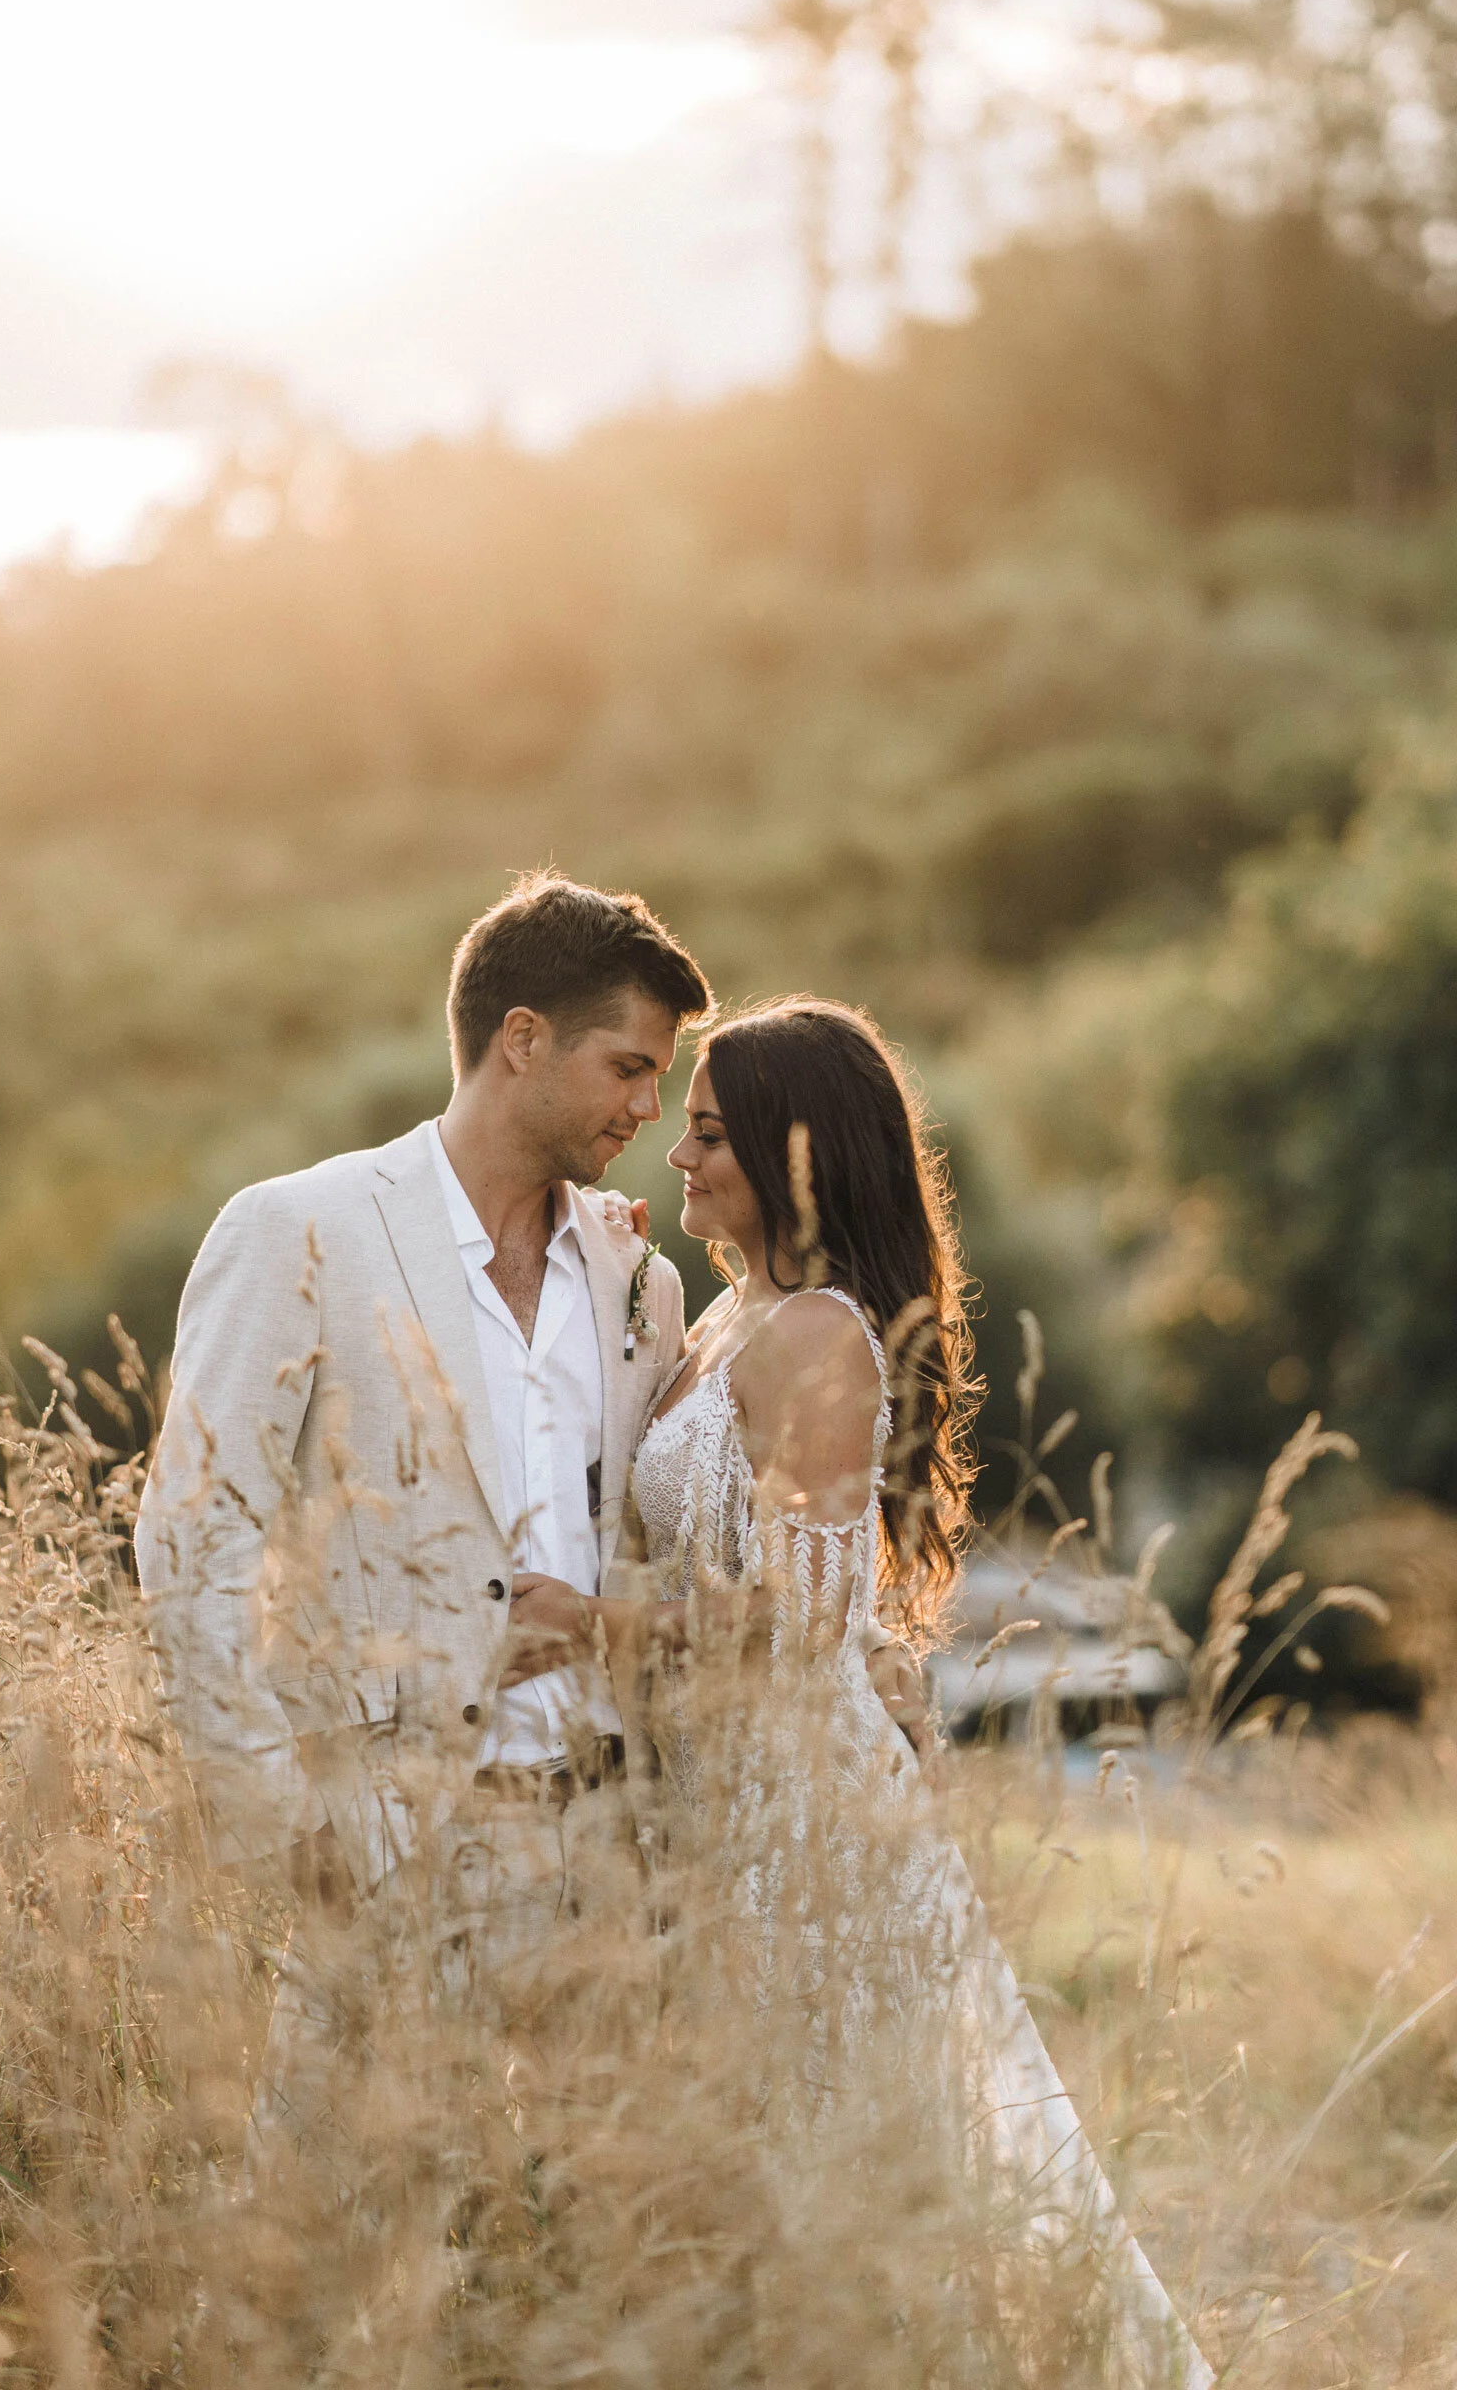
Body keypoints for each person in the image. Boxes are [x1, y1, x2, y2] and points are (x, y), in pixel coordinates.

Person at [135, 877, 925, 2134]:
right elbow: (191, 1540)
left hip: (615, 1855)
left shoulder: (639, 1278)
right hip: (388, 1841)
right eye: (628, 1068)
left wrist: (854, 1649)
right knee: (349, 2207)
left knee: (594, 2224)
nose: (649, 1110)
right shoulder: (299, 1232)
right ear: (521, 1040)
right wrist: (282, 1827)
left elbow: (709, 1516)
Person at [500, 997, 1213, 2389]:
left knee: (829, 2169)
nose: (677, 1157)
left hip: (802, 1818)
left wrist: (586, 1626)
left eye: (708, 1135)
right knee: (747, 2177)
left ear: (796, 1157)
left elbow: (803, 1627)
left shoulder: (818, 1338)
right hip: (714, 1801)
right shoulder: (729, 1319)